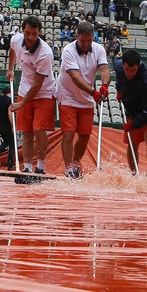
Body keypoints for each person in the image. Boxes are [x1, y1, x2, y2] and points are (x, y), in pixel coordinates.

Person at [56, 21, 110, 179]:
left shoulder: (99, 49)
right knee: (69, 133)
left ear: (93, 37)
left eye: (89, 40)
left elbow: (105, 70)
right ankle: (67, 170)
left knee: (85, 134)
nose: (86, 44)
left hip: (86, 97)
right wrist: (93, 92)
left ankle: (75, 164)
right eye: (82, 41)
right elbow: (75, 77)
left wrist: (104, 85)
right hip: (68, 94)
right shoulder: (68, 50)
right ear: (76, 37)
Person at [7, 16, 56, 176]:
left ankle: (41, 166)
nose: (30, 37)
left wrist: (21, 104)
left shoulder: (45, 53)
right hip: (24, 90)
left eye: (34, 34)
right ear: (23, 30)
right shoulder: (16, 39)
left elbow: (37, 84)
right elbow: (12, 50)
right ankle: (27, 167)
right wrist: (10, 69)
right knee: (26, 131)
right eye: (28, 32)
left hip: (44, 93)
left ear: (39, 33)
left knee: (38, 129)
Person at [115, 48, 147, 178]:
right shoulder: (119, 67)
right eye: (127, 70)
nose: (130, 73)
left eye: (133, 70)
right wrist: (119, 89)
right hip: (131, 106)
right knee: (132, 142)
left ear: (139, 65)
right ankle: (134, 173)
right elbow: (119, 80)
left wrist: (134, 124)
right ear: (123, 65)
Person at [0, 86, 16, 169]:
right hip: (7, 124)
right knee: (12, 145)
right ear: (10, 92)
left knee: (6, 142)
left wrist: (0, 96)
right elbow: (9, 114)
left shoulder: (0, 98)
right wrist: (13, 126)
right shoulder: (10, 100)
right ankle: (10, 164)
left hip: (0, 124)